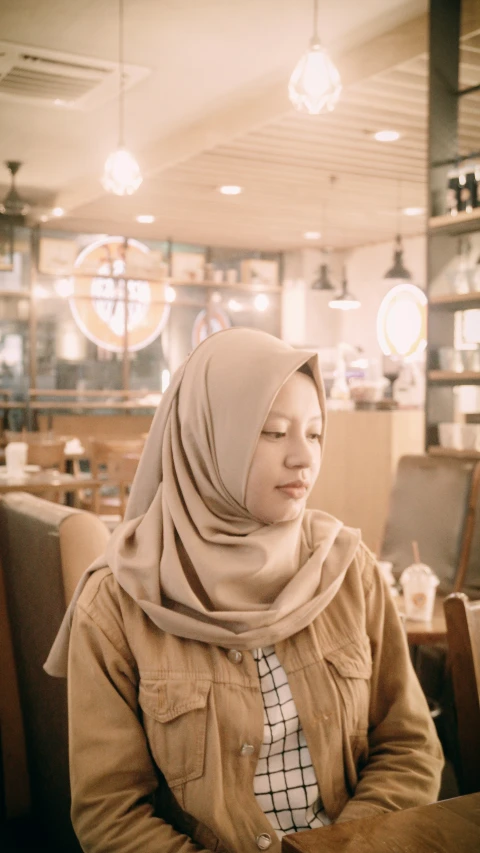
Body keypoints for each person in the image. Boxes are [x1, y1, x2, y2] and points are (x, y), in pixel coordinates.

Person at [45, 327, 443, 853]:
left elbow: (409, 746)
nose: (303, 458)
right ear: (206, 439)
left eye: (316, 433)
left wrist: (347, 845)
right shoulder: (119, 603)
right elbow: (111, 813)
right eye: (274, 433)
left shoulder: (348, 569)